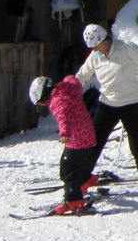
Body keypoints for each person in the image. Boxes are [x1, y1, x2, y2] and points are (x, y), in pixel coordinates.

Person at [75, 22, 138, 196]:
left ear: (105, 39)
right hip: (107, 103)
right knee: (93, 141)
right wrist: (70, 91)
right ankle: (81, 181)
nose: (95, 50)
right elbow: (81, 76)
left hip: (131, 103)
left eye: (96, 46)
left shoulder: (127, 48)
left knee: (137, 144)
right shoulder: (95, 56)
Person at [29, 73, 97, 214]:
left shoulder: (57, 100)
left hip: (76, 137)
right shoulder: (68, 88)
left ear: (43, 95)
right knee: (77, 163)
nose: (45, 105)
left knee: (67, 170)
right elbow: (73, 79)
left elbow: (63, 115)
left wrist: (64, 133)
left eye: (42, 102)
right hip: (88, 133)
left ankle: (73, 200)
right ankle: (84, 181)